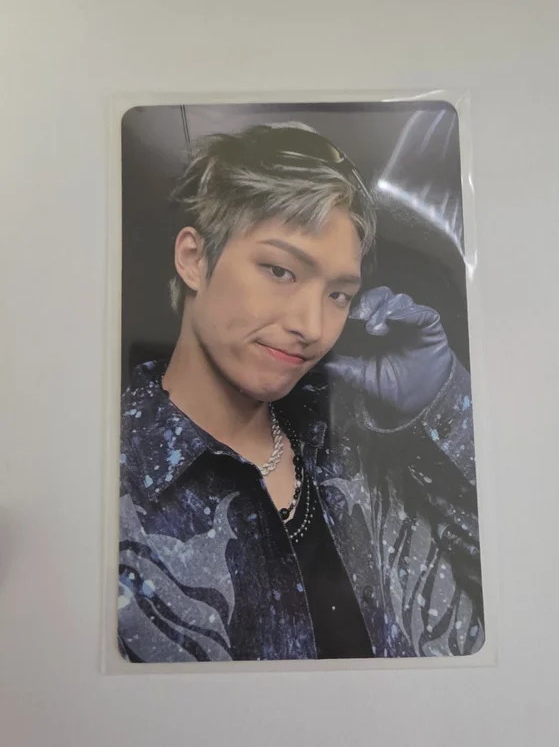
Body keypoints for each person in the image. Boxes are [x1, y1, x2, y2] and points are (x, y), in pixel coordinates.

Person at [118, 122, 484, 663]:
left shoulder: (355, 440)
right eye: (280, 271)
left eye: (338, 294)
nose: (312, 327)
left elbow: (519, 595)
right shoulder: (105, 480)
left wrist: (443, 402)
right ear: (194, 258)